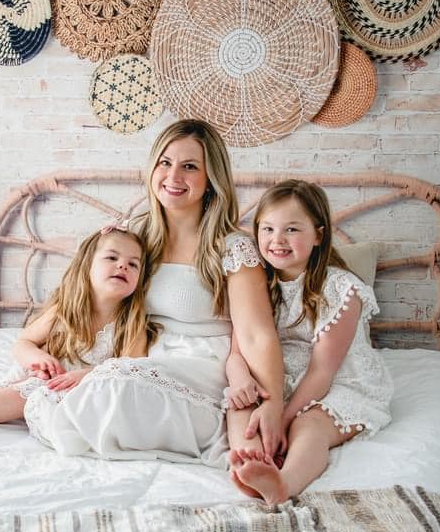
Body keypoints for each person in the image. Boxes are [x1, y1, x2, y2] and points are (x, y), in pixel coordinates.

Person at [30, 119, 285, 466]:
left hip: (205, 367)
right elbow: (89, 294)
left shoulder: (230, 247)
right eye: (165, 163)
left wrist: (274, 404)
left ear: (211, 179)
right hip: (143, 358)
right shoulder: (136, 239)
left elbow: (256, 334)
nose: (173, 176)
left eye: (190, 167)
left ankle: (228, 446)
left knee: (115, 383)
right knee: (75, 389)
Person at [226, 180, 394, 504]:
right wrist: (240, 379)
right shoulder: (256, 285)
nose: (277, 240)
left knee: (309, 426)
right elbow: (237, 351)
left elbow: (322, 370)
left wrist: (283, 419)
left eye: (292, 229)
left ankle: (284, 484)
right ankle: (251, 464)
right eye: (268, 229)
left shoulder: (341, 288)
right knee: (239, 406)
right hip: (281, 379)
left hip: (336, 382)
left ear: (318, 235)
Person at [0, 226, 153, 445]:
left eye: (133, 264)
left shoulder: (131, 323)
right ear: (87, 265)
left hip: (79, 391)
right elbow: (23, 342)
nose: (123, 266)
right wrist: (38, 358)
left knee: (32, 392)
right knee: (20, 391)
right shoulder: (65, 311)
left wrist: (86, 375)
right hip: (43, 378)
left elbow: (131, 368)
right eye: (112, 258)